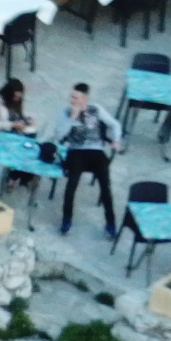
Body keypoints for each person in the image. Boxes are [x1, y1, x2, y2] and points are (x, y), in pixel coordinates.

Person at [54, 82, 121, 237]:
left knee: (105, 185)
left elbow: (114, 124)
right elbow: (59, 135)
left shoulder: (96, 109)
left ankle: (110, 223)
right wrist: (72, 118)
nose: (72, 100)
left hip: (96, 151)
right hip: (76, 151)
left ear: (85, 99)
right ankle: (67, 219)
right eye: (71, 97)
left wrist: (116, 140)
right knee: (72, 185)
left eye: (75, 98)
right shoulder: (65, 112)